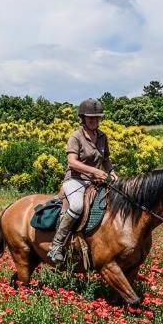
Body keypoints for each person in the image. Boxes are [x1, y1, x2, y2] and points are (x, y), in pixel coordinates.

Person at [46, 98, 115, 264]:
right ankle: (56, 245)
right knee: (77, 206)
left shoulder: (102, 136)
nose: (94, 121)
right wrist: (94, 171)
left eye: (97, 118)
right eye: (91, 118)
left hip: (96, 181)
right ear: (83, 118)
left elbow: (105, 159)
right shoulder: (75, 137)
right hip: (76, 180)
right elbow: (72, 162)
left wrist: (112, 172)